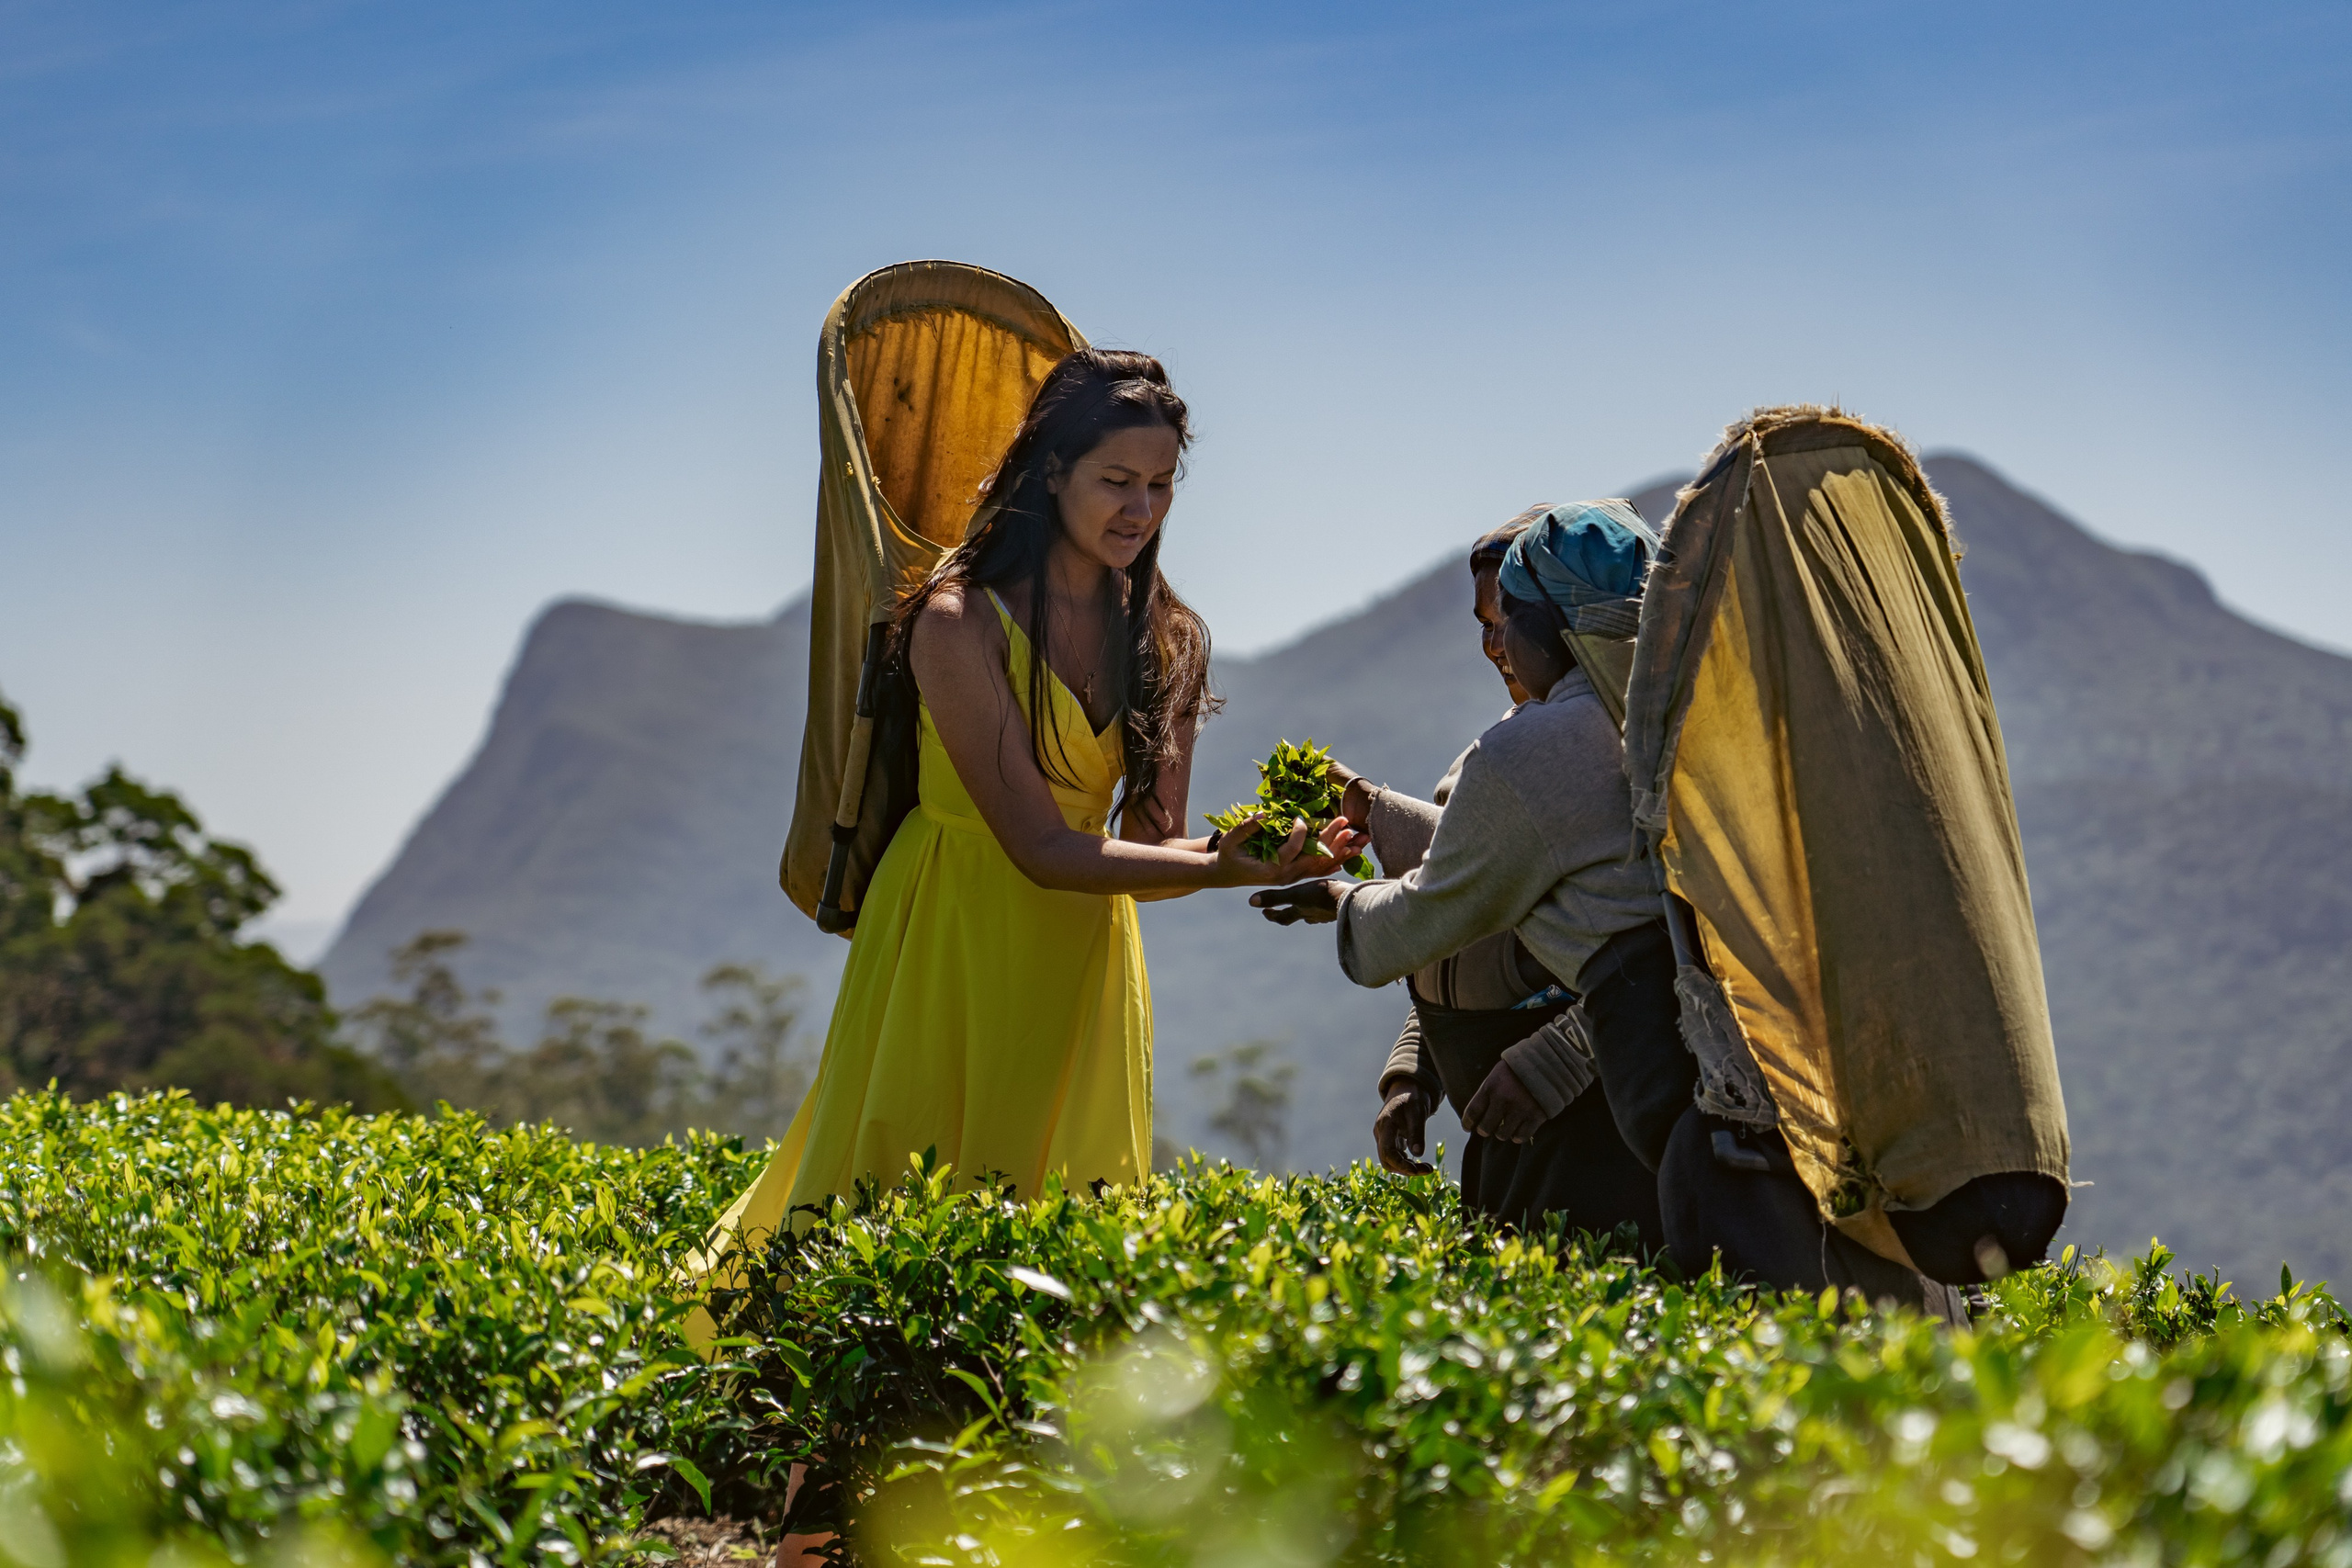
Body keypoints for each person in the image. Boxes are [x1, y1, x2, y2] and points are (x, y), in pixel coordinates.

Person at [696, 349, 1365, 1270]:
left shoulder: (1167, 636)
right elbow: (1040, 845)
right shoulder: (956, 620)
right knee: (898, 1201)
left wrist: (1256, 853)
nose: (1140, 509)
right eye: (1116, 481)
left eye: (1161, 486)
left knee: (1059, 1223)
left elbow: (1151, 847)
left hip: (1081, 950)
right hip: (950, 926)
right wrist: (1218, 867)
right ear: (1052, 472)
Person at [1254, 502, 1686, 1244]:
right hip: (1531, 1103)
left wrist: (1341, 896)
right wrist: (1414, 1073)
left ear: (1553, 623)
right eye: (1484, 623)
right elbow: (1493, 892)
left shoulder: (1539, 750)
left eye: (1508, 617)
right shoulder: (1622, 727)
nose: (1497, 645)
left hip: (1585, 1111)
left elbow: (1441, 911)